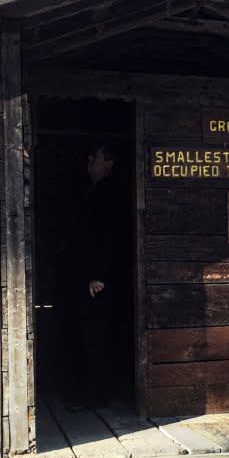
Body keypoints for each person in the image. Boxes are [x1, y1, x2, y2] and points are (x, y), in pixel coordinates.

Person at [72, 142, 130, 407]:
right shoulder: (93, 191)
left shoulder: (109, 194)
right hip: (90, 278)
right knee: (90, 336)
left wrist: (99, 275)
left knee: (98, 337)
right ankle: (91, 393)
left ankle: (97, 397)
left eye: (94, 157)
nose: (89, 161)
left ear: (108, 163)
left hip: (101, 282)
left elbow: (109, 238)